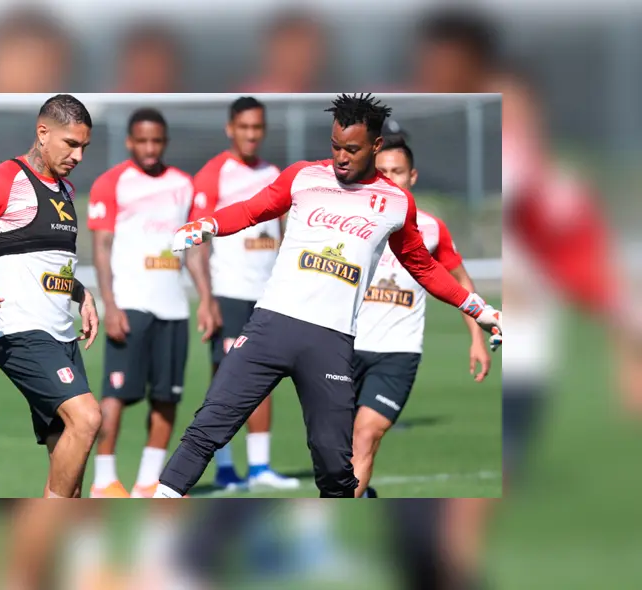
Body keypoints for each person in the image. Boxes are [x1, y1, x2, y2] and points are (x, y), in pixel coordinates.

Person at [154, 93, 503, 499]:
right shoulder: (302, 176)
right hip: (271, 327)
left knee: (334, 462)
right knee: (208, 425)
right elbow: (253, 209)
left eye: (352, 149)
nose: (341, 157)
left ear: (375, 146)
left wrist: (476, 308)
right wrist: (207, 224)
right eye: (335, 146)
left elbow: (423, 267)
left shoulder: (395, 202)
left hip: (331, 342)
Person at [0, 94, 101, 499]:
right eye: (71, 144)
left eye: (84, 147)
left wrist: (84, 295)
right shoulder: (3, 180)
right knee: (88, 418)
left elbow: (51, 264)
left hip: (62, 338)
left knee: (69, 465)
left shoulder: (65, 188)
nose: (78, 155)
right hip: (23, 334)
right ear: (43, 133)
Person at [86, 107, 219, 498]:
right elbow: (102, 248)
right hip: (130, 305)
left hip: (173, 308)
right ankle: (104, 481)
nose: (149, 147)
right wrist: (109, 304)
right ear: (130, 141)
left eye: (156, 140)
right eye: (141, 140)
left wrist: (207, 299)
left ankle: (147, 482)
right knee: (114, 397)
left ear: (165, 142)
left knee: (166, 399)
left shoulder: (183, 185)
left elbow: (194, 251)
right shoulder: (112, 183)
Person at [351, 132, 492, 498]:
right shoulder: (351, 222)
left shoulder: (431, 228)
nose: (388, 178)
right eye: (380, 170)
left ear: (412, 176)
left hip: (398, 352)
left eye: (396, 171)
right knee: (332, 445)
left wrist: (476, 337)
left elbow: (460, 281)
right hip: (343, 346)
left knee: (366, 435)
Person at [189, 96, 299, 491]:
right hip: (229, 294)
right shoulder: (213, 174)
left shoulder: (275, 173)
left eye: (258, 128)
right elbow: (197, 239)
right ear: (230, 128)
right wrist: (206, 297)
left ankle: (259, 467)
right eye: (245, 127)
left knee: (265, 378)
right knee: (226, 381)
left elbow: (288, 232)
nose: (252, 135)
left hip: (269, 296)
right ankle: (223, 467)